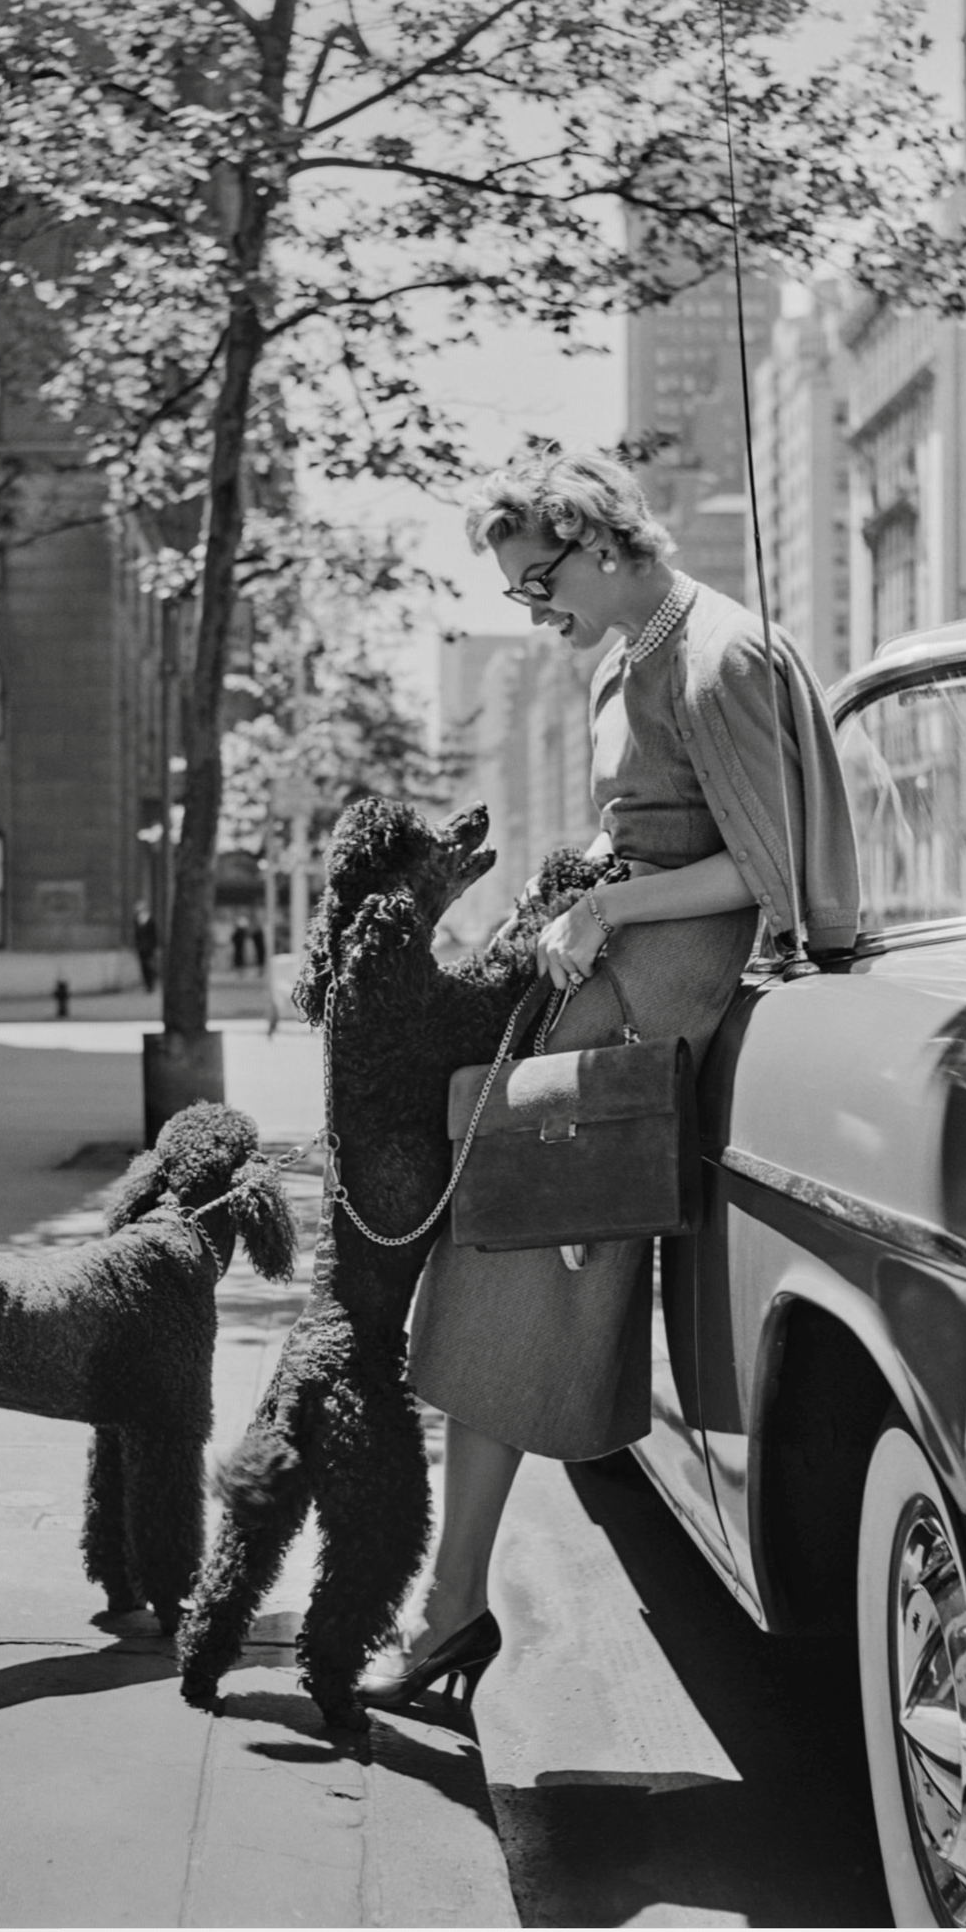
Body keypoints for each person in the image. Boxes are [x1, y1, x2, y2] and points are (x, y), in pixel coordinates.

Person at [369, 450, 860, 1717]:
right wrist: (578, 873)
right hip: (610, 992)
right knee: (492, 1269)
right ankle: (449, 1603)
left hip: (661, 1018)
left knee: (504, 1267)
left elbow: (771, 872)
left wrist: (616, 907)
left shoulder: (719, 656)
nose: (535, 611)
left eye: (539, 582)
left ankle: (449, 1609)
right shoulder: (623, 658)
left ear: (594, 537)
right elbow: (642, 823)